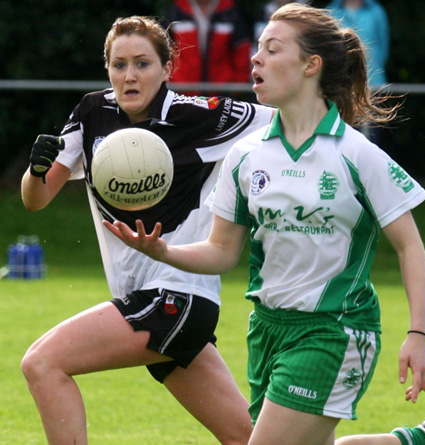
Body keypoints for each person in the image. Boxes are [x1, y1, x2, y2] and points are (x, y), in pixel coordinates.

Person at [104, 4, 425, 445]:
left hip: (334, 328)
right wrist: (161, 251)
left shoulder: (357, 155)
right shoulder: (246, 156)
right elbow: (221, 251)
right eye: (257, 48)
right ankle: (419, 440)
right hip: (266, 330)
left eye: (272, 49)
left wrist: (417, 334)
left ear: (310, 65)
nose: (255, 58)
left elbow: (410, 248)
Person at [20, 15, 273, 445]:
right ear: (107, 69)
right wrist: (36, 169)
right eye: (119, 65)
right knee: (248, 439)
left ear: (167, 68)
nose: (130, 75)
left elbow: (289, 119)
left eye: (142, 64)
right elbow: (36, 198)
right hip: (147, 299)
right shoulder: (91, 113)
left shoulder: (197, 115)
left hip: (178, 295)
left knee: (42, 363)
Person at [164, 0, 252, 84]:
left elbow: (241, 49)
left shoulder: (230, 12)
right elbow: (164, 49)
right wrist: (171, 80)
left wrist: (237, 85)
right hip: (181, 89)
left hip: (222, 90)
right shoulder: (176, 11)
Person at [326, 0, 389, 88]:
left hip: (373, 80)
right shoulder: (331, 10)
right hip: (340, 80)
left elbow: (383, 46)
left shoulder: (376, 10)